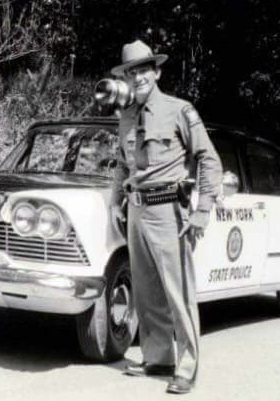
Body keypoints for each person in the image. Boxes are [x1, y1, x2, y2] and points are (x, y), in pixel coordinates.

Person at [109, 40, 222, 394]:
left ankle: (186, 366)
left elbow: (209, 159)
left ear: (156, 72)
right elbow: (122, 164)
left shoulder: (179, 110)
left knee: (179, 291)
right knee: (146, 289)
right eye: (132, 71)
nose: (138, 76)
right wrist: (116, 200)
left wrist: (203, 211)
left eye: (144, 69)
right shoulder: (125, 117)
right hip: (137, 210)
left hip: (169, 209)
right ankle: (158, 358)